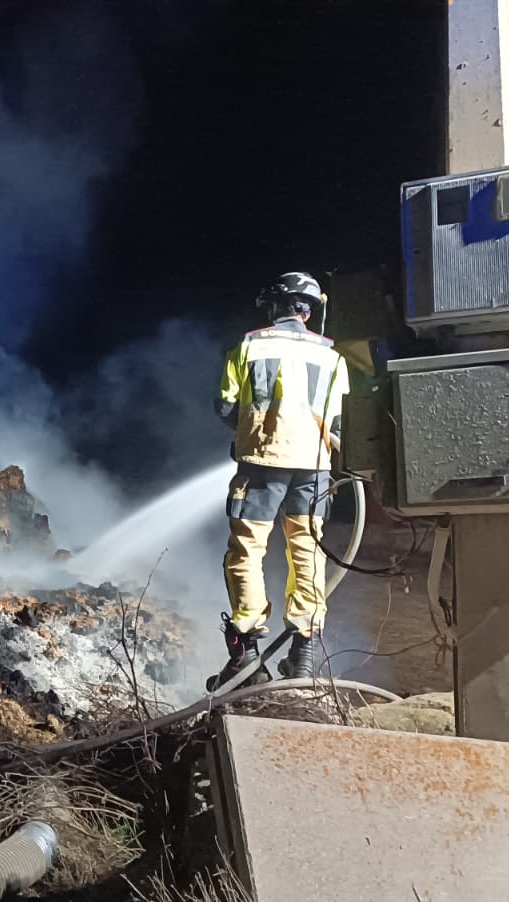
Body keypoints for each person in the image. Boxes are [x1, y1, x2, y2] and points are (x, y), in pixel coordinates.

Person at [207, 272, 350, 690]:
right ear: (308, 311)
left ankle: (247, 652)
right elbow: (339, 419)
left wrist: (251, 430)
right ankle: (302, 657)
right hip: (315, 467)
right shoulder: (333, 357)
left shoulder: (250, 345)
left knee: (247, 550)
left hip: (261, 463)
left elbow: (225, 405)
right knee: (307, 550)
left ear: (276, 306)